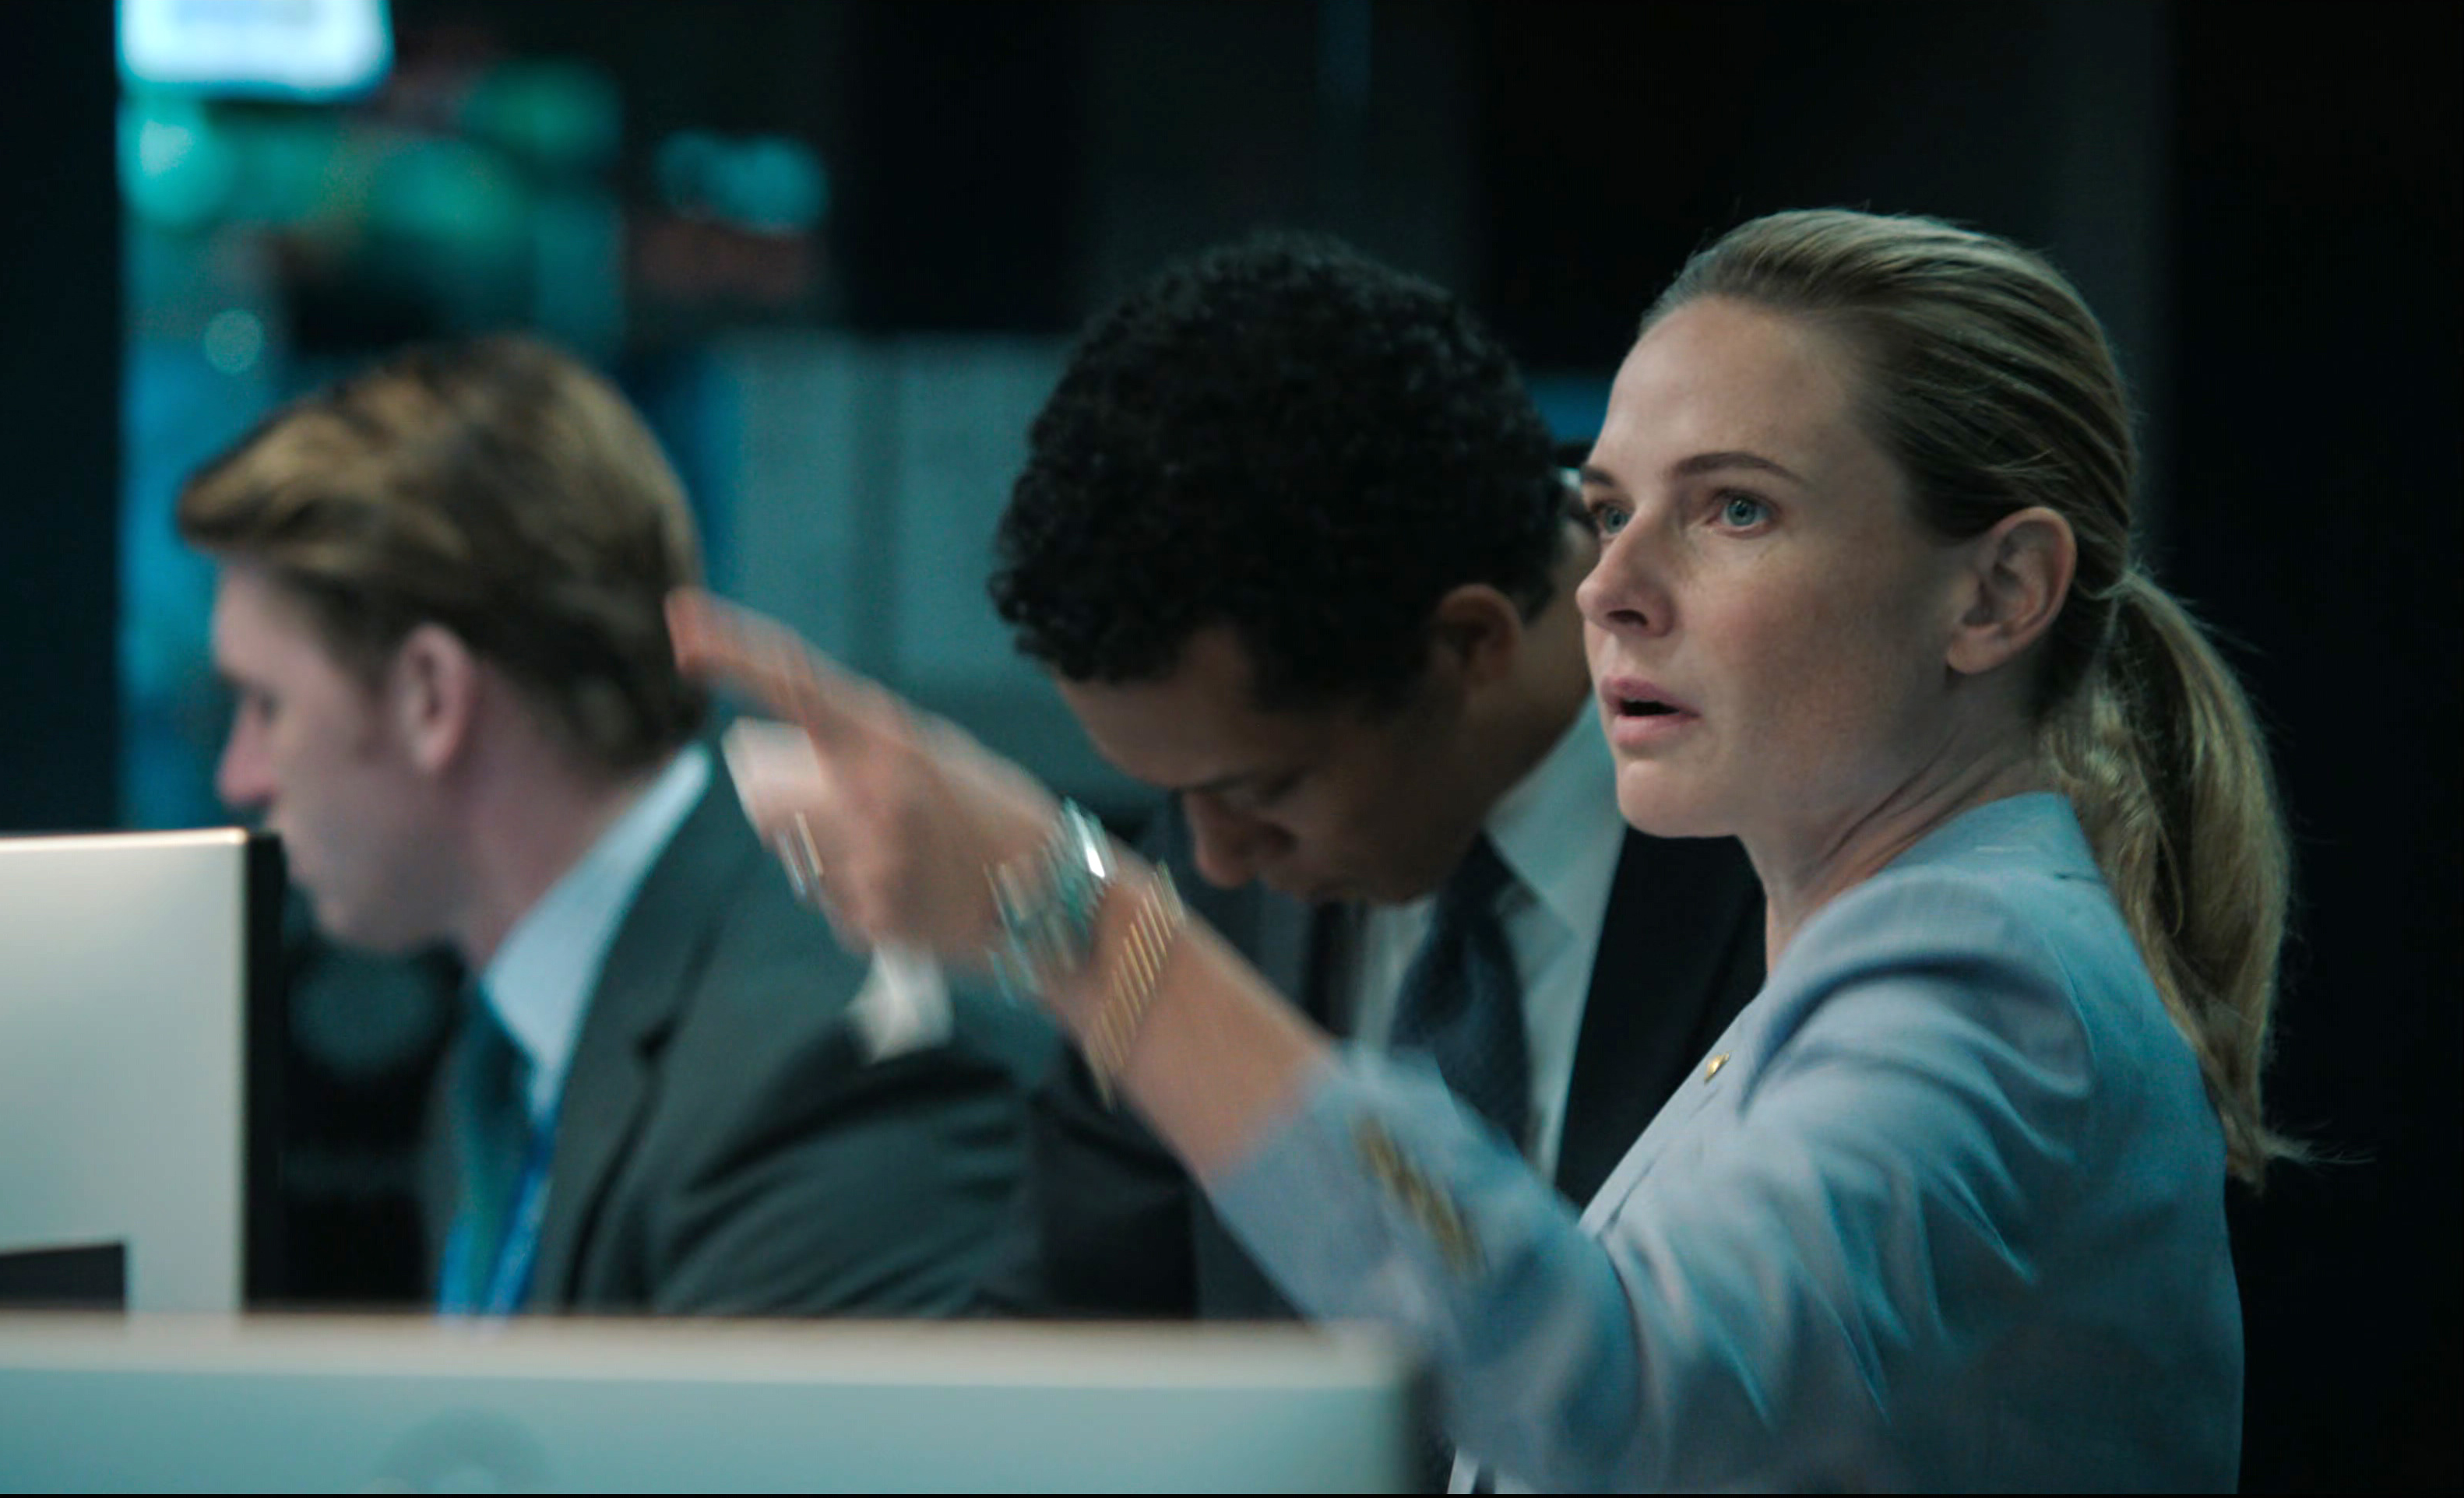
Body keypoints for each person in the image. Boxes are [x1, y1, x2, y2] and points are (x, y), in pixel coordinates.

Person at [674, 209, 2289, 1489]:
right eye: (1608, 506)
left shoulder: (1987, 970)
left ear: (1996, 594)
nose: (1610, 587)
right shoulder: (1883, 946)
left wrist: (1081, 921)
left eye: (1734, 508)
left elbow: (1605, 1382)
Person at [975, 234, 1765, 1320]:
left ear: (1471, 644)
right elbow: (1060, 1336)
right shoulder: (1226, 806)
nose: (1211, 861)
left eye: (1259, 791)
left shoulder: (1819, 803)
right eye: (1175, 794)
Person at [180, 336, 1037, 1317]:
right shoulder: (507, 1058)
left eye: (266, 706)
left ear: (430, 697)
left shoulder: (822, 1069)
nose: (239, 776)